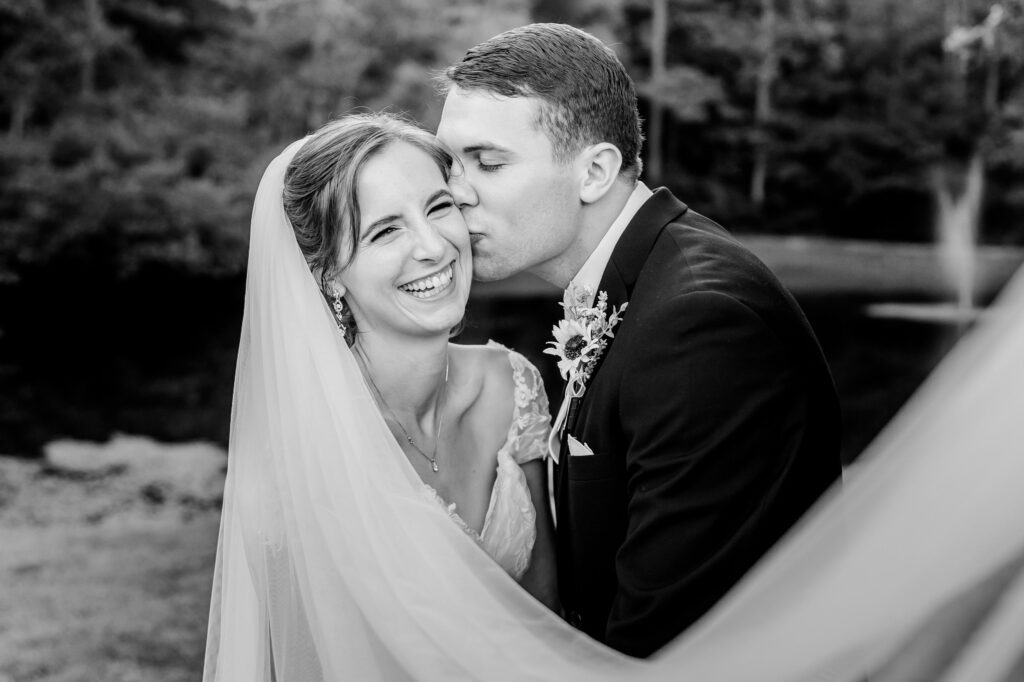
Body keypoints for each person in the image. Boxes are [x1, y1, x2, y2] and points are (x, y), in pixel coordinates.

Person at [436, 22, 843, 657]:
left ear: (595, 171)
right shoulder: (636, 281)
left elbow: (671, 637)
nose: (455, 194)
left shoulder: (703, 325)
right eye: (449, 164)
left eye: (487, 163)